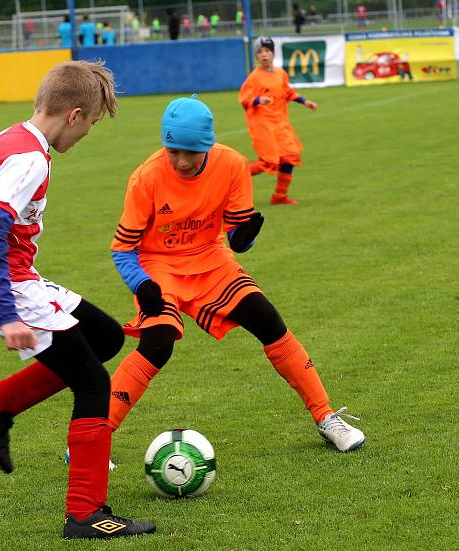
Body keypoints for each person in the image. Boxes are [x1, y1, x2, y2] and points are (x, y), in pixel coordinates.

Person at [0, 60, 156, 540]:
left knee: (101, 335)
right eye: (93, 125)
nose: (87, 135)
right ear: (75, 115)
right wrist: (8, 312)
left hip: (3, 280)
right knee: (94, 384)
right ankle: (86, 514)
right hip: (0, 286)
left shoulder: (6, 137)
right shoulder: (30, 159)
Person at [105, 95, 366, 454]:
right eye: (172, 150)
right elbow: (122, 249)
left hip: (210, 258)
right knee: (158, 343)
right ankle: (93, 440)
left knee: (267, 319)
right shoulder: (146, 178)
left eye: (190, 152)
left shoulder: (232, 166)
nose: (181, 161)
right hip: (157, 266)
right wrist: (141, 283)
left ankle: (326, 417)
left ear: (208, 146)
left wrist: (243, 237)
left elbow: (235, 236)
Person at [238, 36, 317, 205]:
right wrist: (259, 100)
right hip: (262, 124)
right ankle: (235, 174)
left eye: (267, 51)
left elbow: (288, 92)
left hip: (280, 123)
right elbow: (244, 99)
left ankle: (279, 197)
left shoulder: (281, 73)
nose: (264, 55)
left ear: (273, 53)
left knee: (290, 157)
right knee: (269, 162)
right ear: (256, 57)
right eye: (260, 52)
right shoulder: (254, 77)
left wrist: (305, 101)